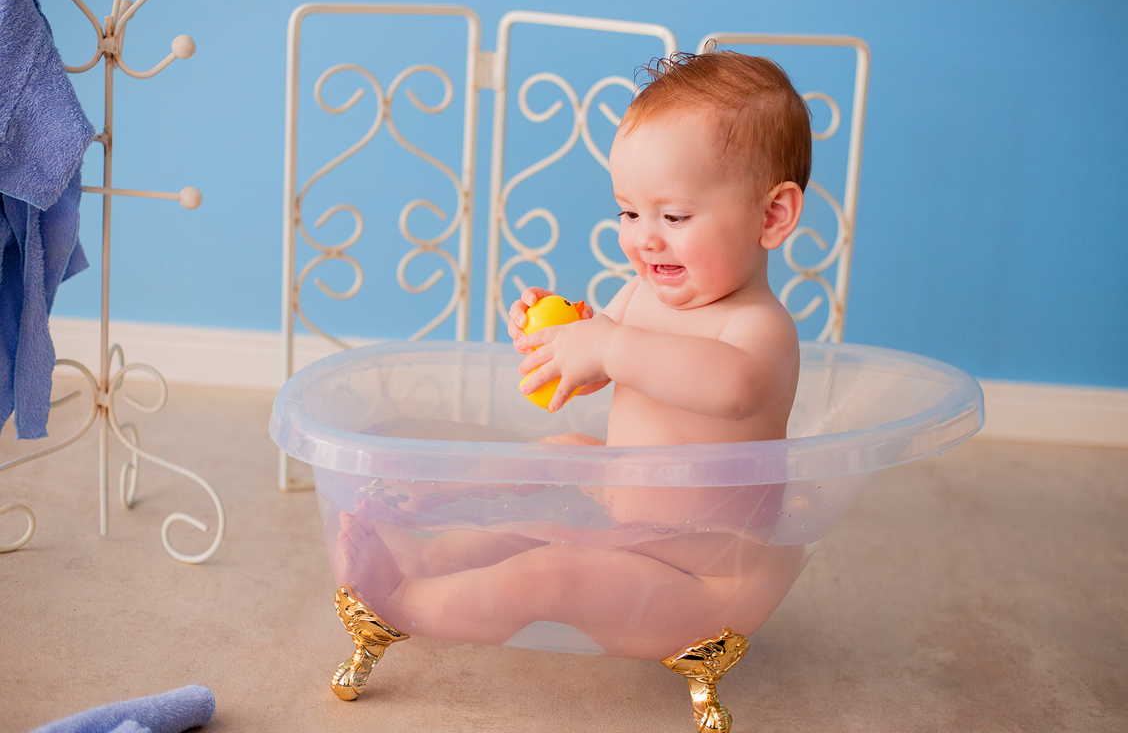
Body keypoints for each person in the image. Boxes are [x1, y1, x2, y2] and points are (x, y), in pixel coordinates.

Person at [335, 50, 813, 661]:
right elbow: (605, 372)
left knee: (550, 574)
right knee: (556, 459)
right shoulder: (642, 293)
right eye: (630, 211)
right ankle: (427, 541)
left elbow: (732, 388)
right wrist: (564, 342)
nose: (645, 236)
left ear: (772, 216)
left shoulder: (760, 328)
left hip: (703, 567)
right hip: (629, 514)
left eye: (674, 215)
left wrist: (610, 345)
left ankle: (402, 607)